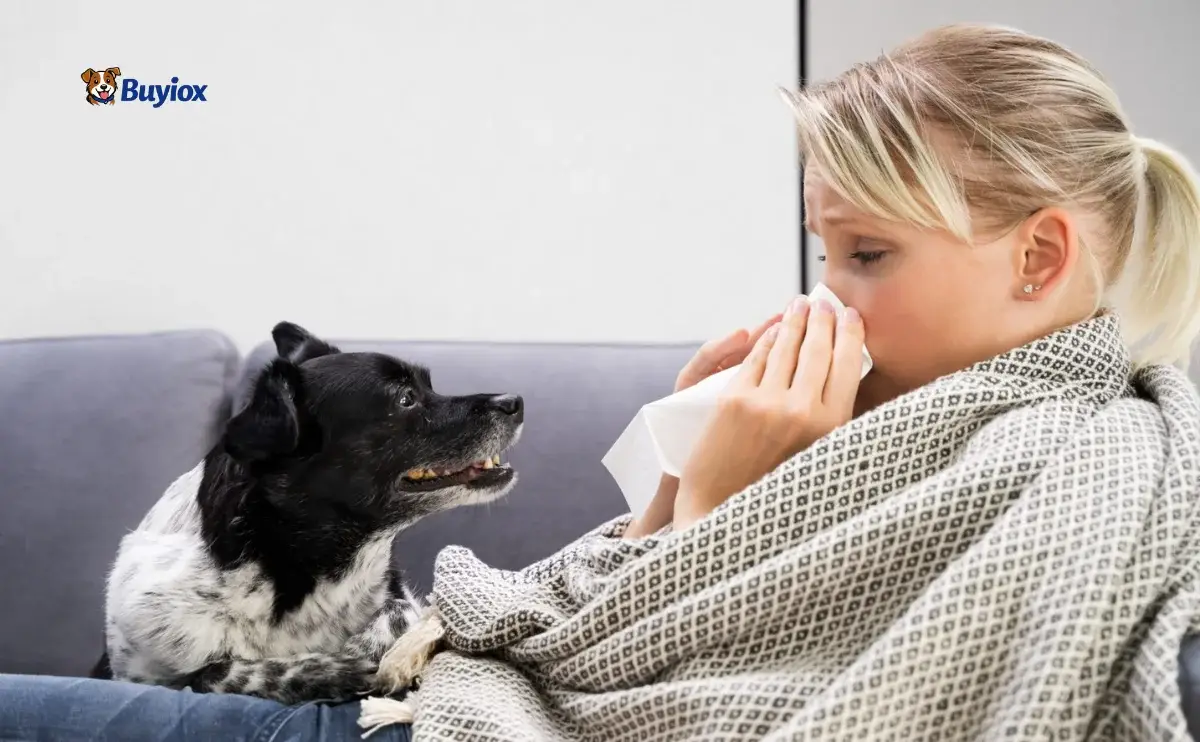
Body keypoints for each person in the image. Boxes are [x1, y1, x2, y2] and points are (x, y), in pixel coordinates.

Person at [4, 21, 1200, 742]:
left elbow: (669, 700)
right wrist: (684, 485)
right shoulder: (876, 409)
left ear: (1039, 257)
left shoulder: (1068, 470)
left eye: (871, 255)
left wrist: (721, 504)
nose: (830, 297)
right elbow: (602, 632)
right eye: (824, 255)